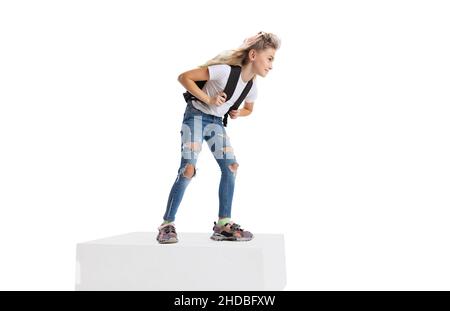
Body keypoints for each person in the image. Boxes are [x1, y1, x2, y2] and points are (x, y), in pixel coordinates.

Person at [157, 31, 281, 244]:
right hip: (195, 116)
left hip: (216, 123)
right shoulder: (224, 71)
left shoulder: (252, 86)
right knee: (188, 169)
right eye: (269, 58)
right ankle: (167, 224)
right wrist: (209, 98)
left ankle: (223, 224)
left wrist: (237, 112)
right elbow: (184, 77)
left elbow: (248, 109)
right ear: (253, 55)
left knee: (231, 166)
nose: (271, 65)